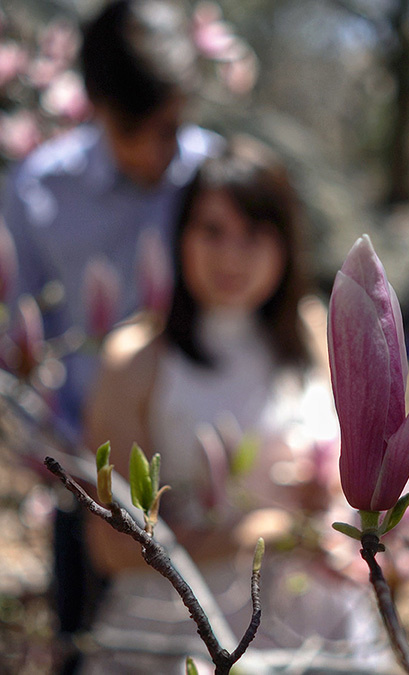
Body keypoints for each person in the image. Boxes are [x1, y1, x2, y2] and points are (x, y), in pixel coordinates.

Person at [79, 137, 391, 674]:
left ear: (286, 242)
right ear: (181, 236)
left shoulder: (318, 332)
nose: (231, 257)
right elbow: (111, 548)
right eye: (212, 231)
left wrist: (334, 501)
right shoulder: (137, 360)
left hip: (320, 620)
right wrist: (252, 534)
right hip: (178, 624)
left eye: (253, 235)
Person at [0, 1, 218, 669]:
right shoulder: (40, 193)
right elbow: (11, 340)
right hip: (92, 477)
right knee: (87, 646)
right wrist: (57, 454)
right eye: (136, 130)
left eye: (173, 126)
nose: (160, 150)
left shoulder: (215, 178)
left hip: (207, 461)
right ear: (92, 103)